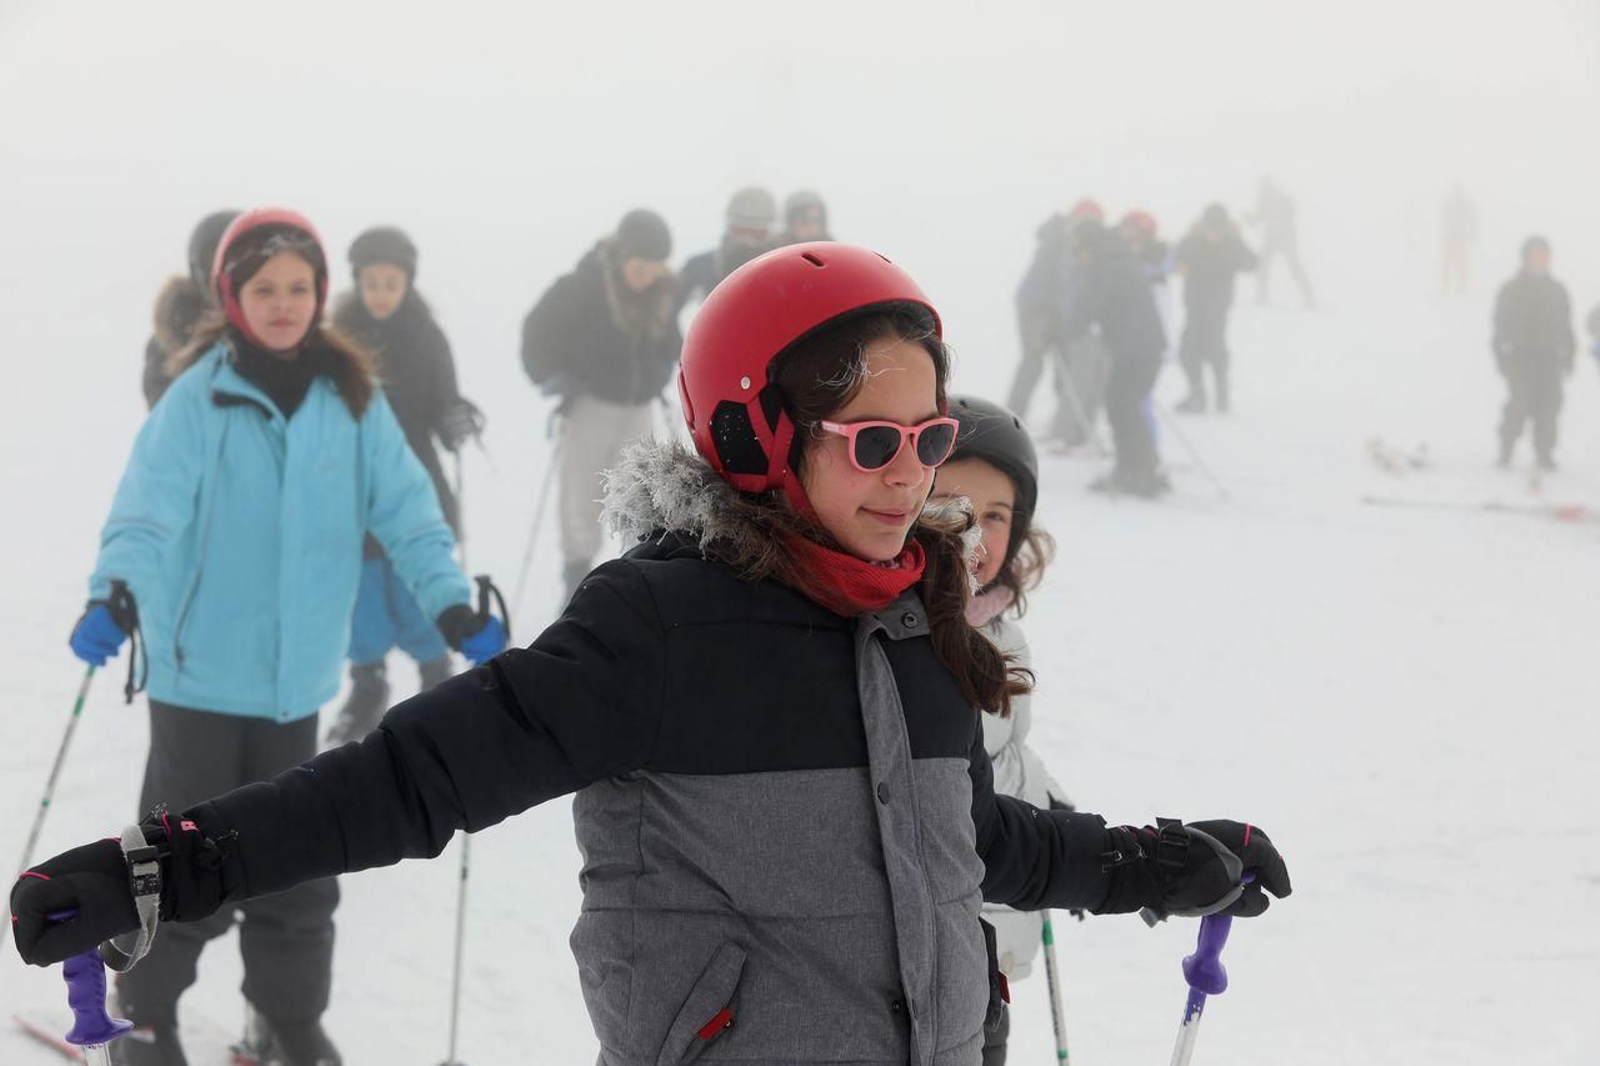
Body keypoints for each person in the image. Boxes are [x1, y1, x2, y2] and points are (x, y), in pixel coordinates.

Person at [15, 243, 1291, 1066]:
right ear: (753, 433)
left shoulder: (922, 626)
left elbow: (975, 844)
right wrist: (173, 861)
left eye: (929, 434)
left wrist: (1155, 861)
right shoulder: (662, 628)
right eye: (869, 440)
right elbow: (413, 778)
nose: (913, 477)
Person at [48, 207, 507, 1066]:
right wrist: (115, 594)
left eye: (300, 287)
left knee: (298, 864)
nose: (285, 302)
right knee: (177, 862)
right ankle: (144, 1015)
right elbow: (144, 514)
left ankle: (286, 1019)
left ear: (320, 294)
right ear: (232, 297)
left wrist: (451, 606)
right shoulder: (199, 398)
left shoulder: (351, 401)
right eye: (266, 288)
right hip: (198, 681)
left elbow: (408, 513)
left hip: (298, 684)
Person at [934, 396, 1067, 1065]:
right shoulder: (909, 640)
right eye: (956, 510)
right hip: (938, 948)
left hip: (993, 944)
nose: (976, 539)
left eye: (996, 517)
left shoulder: (999, 630)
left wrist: (1060, 817)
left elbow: (1006, 756)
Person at [324, 226, 487, 745]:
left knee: (417, 588)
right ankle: (366, 682)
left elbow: (444, 404)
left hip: (415, 480)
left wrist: (456, 419)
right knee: (363, 596)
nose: (380, 293)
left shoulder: (426, 337)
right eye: (371, 282)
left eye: (391, 282)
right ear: (357, 282)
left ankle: (435, 677)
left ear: (407, 282)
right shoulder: (335, 337)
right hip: (351, 490)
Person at [520, 209, 681, 601]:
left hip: (639, 409)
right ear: (621, 254)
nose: (644, 275)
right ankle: (575, 582)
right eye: (638, 265)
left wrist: (660, 370)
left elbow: (672, 343)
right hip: (590, 406)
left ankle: (639, 583)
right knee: (582, 500)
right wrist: (555, 376)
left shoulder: (661, 294)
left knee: (643, 499)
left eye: (653, 268)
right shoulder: (581, 287)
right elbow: (535, 336)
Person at [1067, 220, 1169, 496]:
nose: (1079, 258)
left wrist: (1062, 330)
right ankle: (1135, 470)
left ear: (1089, 246)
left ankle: (1139, 474)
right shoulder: (1118, 258)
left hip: (1136, 351)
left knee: (1124, 408)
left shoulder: (1106, 264)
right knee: (1123, 407)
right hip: (1140, 349)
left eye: (1079, 251)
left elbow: (1088, 306)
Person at [1008, 199, 1109, 448]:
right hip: (1036, 309)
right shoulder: (1057, 241)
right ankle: (1012, 418)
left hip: (1055, 313)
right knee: (1034, 360)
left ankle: (1065, 423)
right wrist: (1044, 322)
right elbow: (1046, 283)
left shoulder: (1066, 239)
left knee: (1063, 363)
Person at [1492, 236, 1576, 471]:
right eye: (1537, 256)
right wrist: (1502, 357)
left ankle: (1544, 455)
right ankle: (1506, 450)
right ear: (1526, 258)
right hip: (1521, 360)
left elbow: (1566, 326)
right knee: (1518, 406)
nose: (1541, 261)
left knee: (1548, 410)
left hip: (1550, 361)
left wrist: (1569, 355)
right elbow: (1500, 326)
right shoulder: (1512, 290)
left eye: (1545, 256)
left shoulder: (1557, 290)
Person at [143, 210, 239, 408]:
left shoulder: (291, 330)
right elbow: (167, 425)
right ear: (199, 272)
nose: (225, 275)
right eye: (214, 262)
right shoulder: (169, 345)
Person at [1174, 204, 1258, 415]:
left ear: (1225, 228)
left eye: (1218, 229)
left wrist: (1238, 238)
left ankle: (1222, 395)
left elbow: (1251, 263)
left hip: (1218, 306)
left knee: (1215, 349)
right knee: (1187, 350)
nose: (1214, 234)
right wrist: (1189, 239)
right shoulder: (1193, 241)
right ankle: (1197, 394)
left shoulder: (1232, 243)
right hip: (1194, 305)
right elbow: (1175, 258)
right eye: (1210, 228)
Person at [677, 186, 778, 309]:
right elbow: (668, 314)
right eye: (740, 230)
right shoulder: (699, 268)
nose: (746, 240)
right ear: (729, 227)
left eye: (756, 233)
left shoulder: (784, 272)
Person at [1247, 176, 1313, 307]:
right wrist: (1249, 219)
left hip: (1284, 237)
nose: (1262, 191)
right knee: (1264, 267)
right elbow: (1257, 220)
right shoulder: (1267, 200)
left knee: (1292, 267)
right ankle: (1262, 297)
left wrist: (1253, 219)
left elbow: (1292, 210)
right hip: (1274, 238)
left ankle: (1309, 297)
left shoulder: (1280, 197)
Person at [1440, 184, 1478, 296]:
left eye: (1458, 191)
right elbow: (1444, 219)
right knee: (1448, 262)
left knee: (1461, 262)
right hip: (1451, 236)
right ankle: (1446, 287)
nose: (1457, 193)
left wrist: (1472, 233)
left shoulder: (1466, 204)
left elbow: (1472, 219)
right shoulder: (1450, 203)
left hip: (1460, 236)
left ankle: (1460, 287)